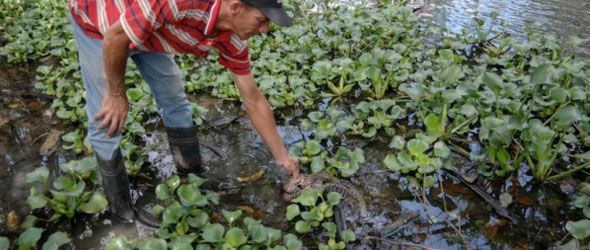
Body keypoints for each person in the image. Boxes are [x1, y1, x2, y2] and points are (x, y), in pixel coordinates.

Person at [68, 0, 301, 223]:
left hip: (149, 26)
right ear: (236, 7)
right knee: (106, 115)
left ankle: (191, 172)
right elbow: (115, 37)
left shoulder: (232, 40)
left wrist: (282, 156)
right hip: (101, 23)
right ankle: (120, 210)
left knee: (174, 98)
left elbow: (254, 99)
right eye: (261, 20)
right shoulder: (179, 2)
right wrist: (118, 95)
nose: (264, 30)